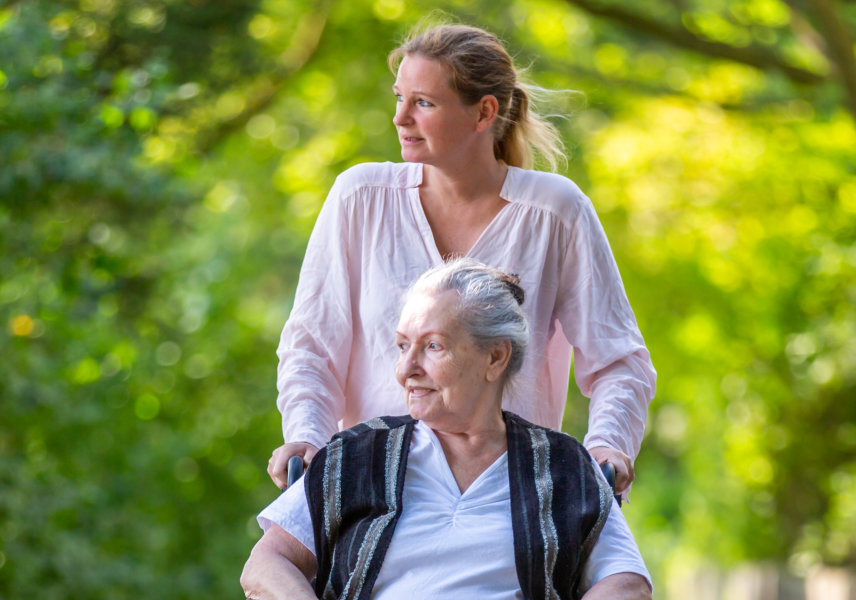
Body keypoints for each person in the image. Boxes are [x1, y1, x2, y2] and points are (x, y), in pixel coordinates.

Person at [270, 23, 656, 498]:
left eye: (424, 103)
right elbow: (311, 345)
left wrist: (608, 447)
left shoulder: (555, 212)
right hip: (374, 490)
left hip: (505, 497)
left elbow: (619, 360)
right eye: (399, 97)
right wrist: (306, 436)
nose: (400, 118)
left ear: (484, 113)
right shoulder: (361, 197)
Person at [243, 260, 652, 599]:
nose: (406, 370)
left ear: (495, 357)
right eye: (403, 345)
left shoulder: (563, 466)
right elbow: (266, 564)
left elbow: (627, 583)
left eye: (433, 346)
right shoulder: (355, 455)